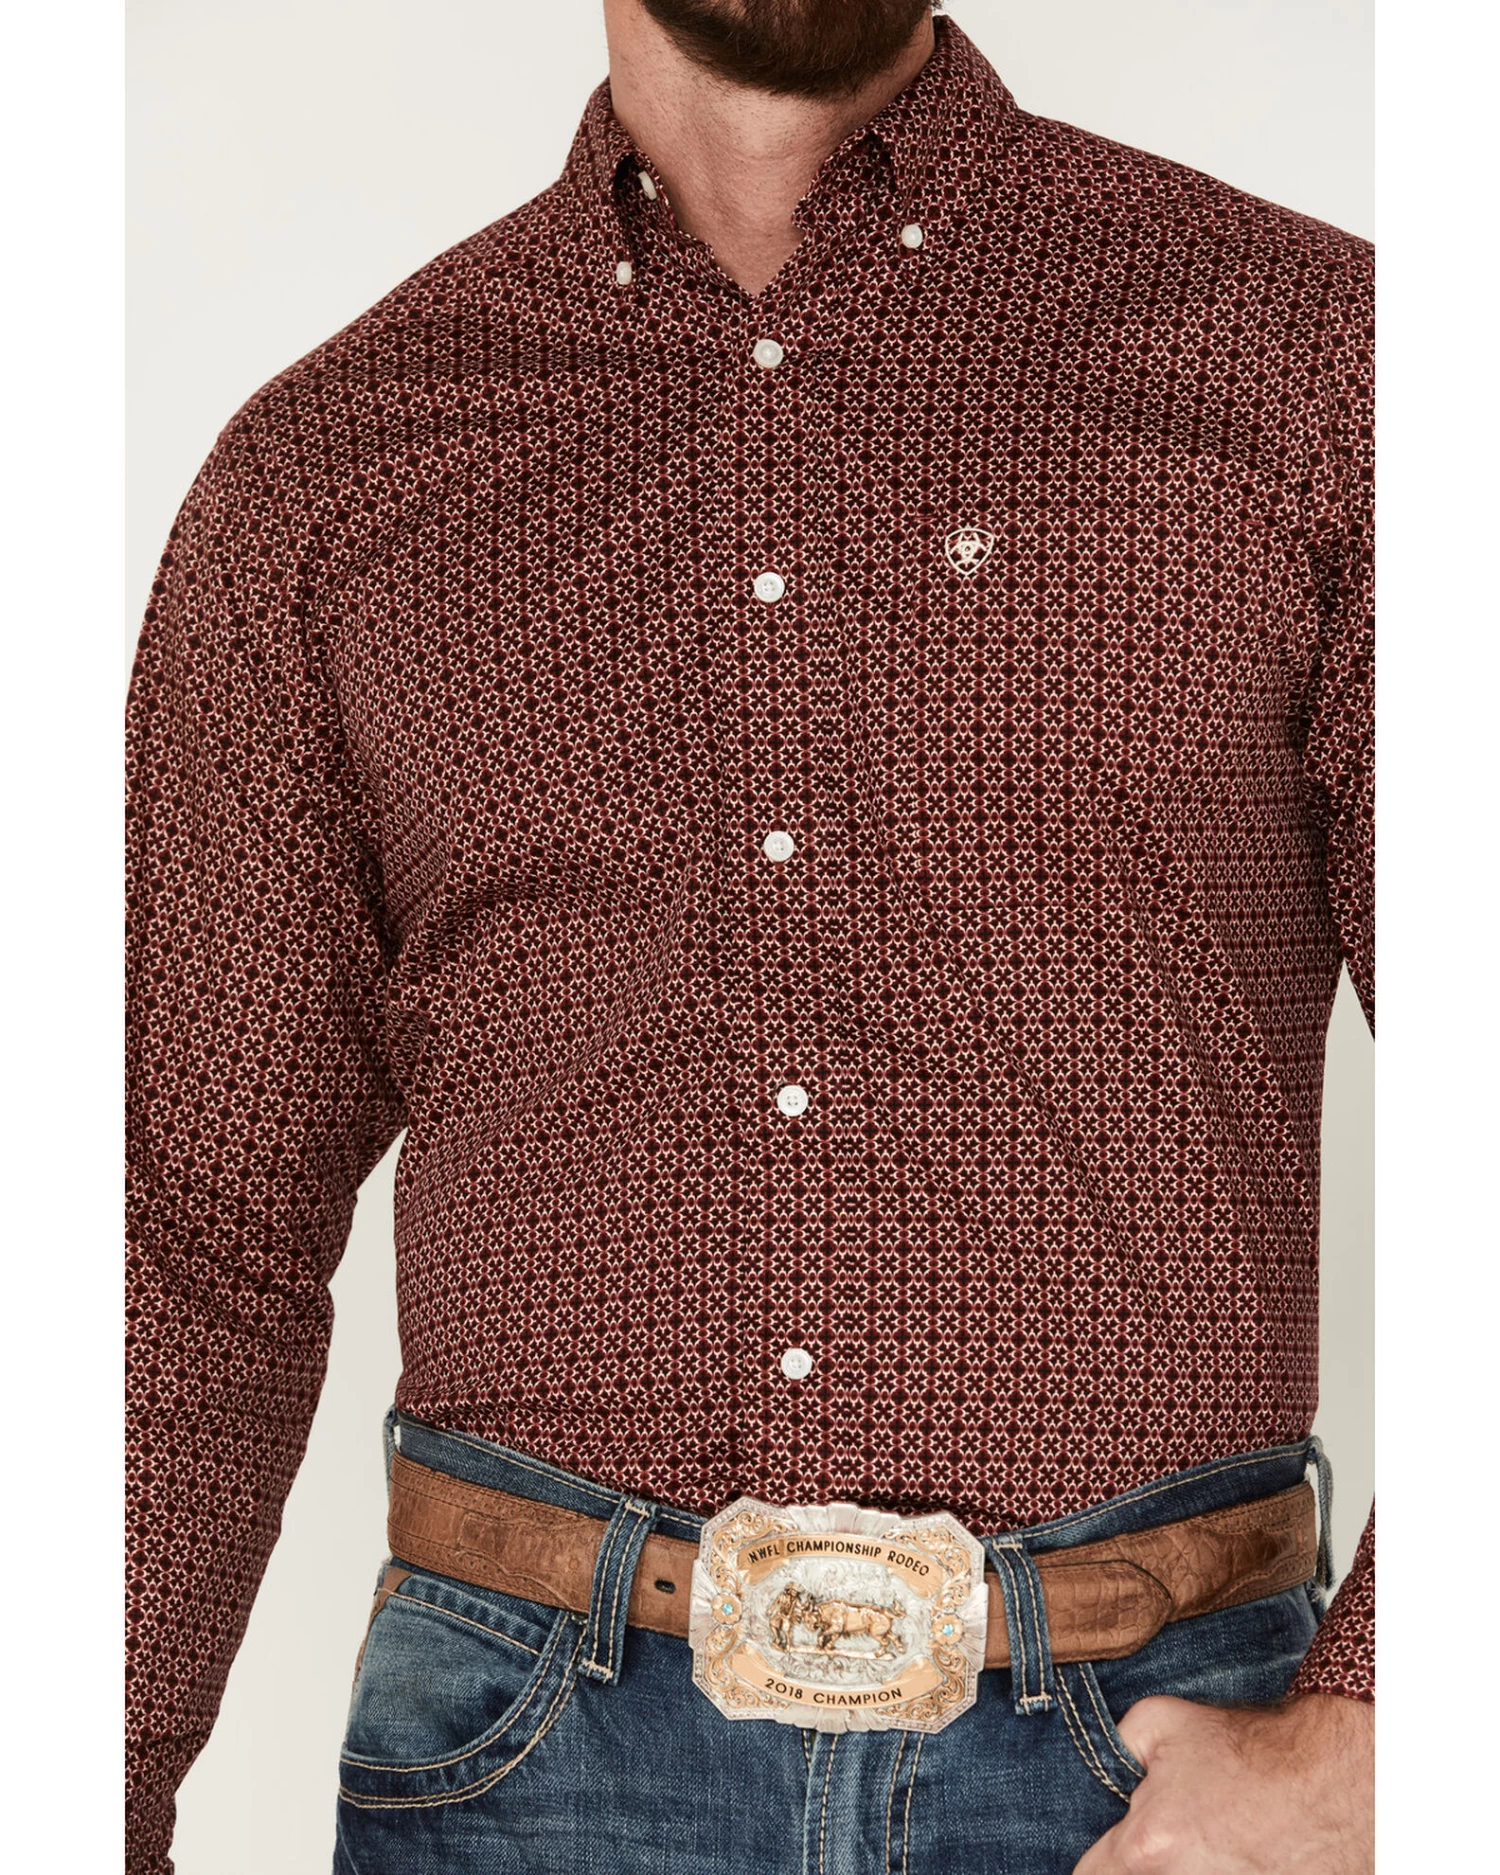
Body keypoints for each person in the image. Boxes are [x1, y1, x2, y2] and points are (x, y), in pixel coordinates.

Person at [124, 3, 1374, 1870]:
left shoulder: (1326, 369)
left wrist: (1390, 1732)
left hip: (1164, 1769)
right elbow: (176, 1241)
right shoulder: (329, 479)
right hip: (524, 1780)